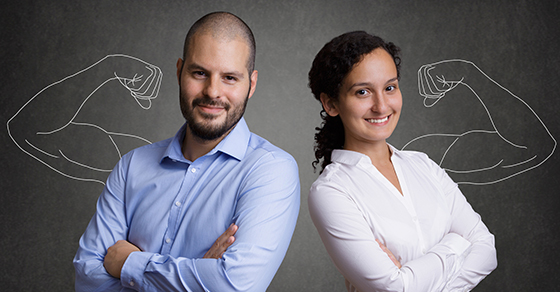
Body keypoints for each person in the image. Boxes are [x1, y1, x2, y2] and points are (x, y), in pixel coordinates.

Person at [73, 12, 300, 292]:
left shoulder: (271, 170)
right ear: (179, 71)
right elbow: (88, 278)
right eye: (200, 73)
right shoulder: (132, 166)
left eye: (230, 77)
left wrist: (129, 263)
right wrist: (199, 274)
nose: (213, 91)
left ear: (251, 84)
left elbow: (234, 285)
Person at [307, 31, 497, 292]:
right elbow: (394, 288)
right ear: (331, 104)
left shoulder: (424, 166)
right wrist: (456, 244)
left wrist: (411, 276)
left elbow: (486, 249)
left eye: (390, 87)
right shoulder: (331, 192)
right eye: (363, 92)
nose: (381, 105)